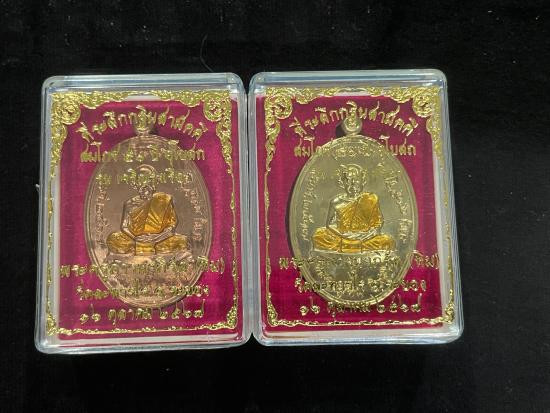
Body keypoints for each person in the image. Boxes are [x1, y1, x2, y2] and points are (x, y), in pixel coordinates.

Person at [312, 164, 395, 253]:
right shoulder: (336, 202)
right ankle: (353, 247)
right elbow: (329, 225)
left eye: (356, 180)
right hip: (343, 237)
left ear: (363, 181)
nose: (353, 184)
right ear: (342, 183)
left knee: (387, 241)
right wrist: (346, 235)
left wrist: (364, 236)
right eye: (348, 180)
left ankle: (348, 247)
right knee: (318, 236)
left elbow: (377, 225)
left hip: (365, 238)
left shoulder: (370, 199)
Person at [107, 164, 188, 256]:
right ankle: (144, 249)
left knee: (182, 241)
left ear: (154, 183)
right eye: (141, 180)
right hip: (134, 239)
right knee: (113, 239)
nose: (145, 184)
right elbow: (124, 227)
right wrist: (136, 238)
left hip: (160, 239)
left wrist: (155, 238)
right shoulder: (130, 203)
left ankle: (145, 249)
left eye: (149, 179)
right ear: (135, 183)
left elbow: (171, 227)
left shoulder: (163, 199)